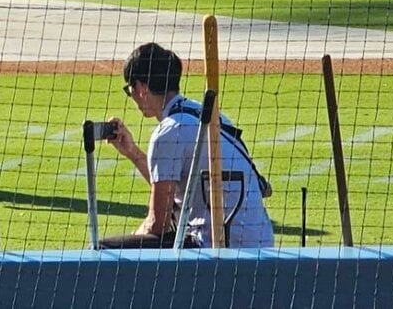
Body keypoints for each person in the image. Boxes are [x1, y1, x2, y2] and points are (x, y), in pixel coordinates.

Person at [100, 43, 274, 249]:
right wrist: (133, 153)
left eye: (129, 90)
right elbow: (175, 191)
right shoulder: (208, 114)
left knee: (106, 250)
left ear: (140, 88)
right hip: (261, 242)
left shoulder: (168, 132)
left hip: (215, 246)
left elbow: (158, 224)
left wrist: (134, 236)